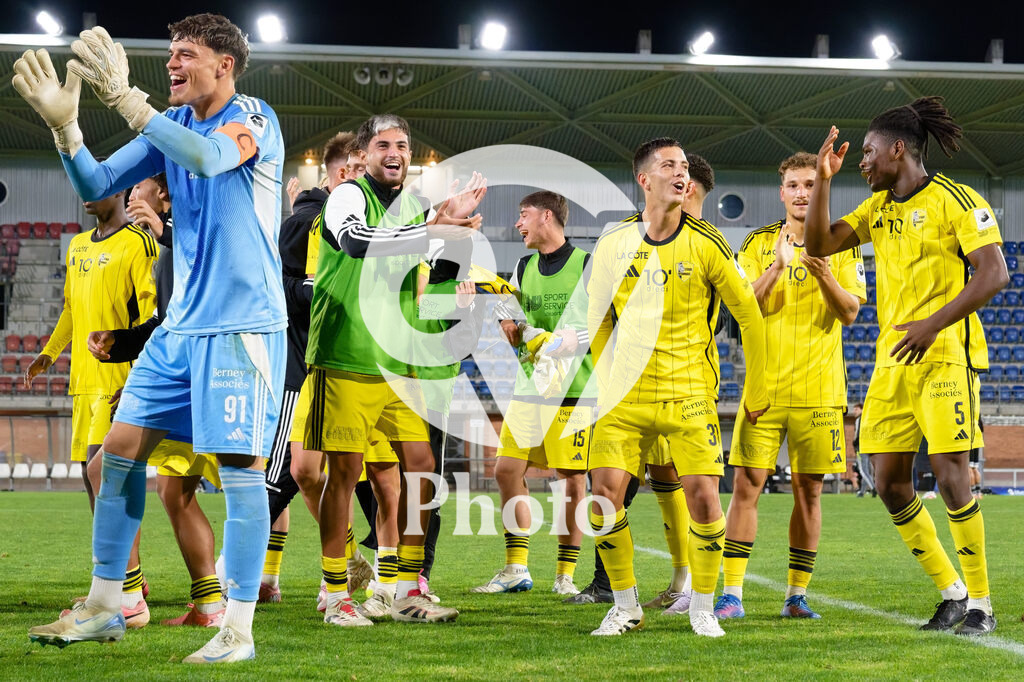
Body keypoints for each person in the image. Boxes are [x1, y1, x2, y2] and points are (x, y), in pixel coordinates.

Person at [17, 14, 288, 662]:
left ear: (224, 65)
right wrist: (66, 128)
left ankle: (237, 631)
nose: (171, 65)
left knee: (242, 473)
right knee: (117, 452)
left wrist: (128, 101)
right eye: (169, 54)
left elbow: (210, 157)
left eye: (185, 55)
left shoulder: (252, 117)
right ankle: (108, 605)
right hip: (180, 329)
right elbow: (94, 183)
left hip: (241, 328)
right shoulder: (174, 130)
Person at [804, 96, 1008, 635]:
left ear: (899, 150)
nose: (862, 162)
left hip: (944, 356)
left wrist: (932, 324)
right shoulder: (875, 210)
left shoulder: (957, 200)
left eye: (868, 153)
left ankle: (983, 605)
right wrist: (822, 179)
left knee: (950, 477)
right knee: (889, 481)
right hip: (893, 364)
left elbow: (994, 275)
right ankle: (952, 593)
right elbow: (819, 243)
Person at [304, 113, 485, 627]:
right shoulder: (347, 196)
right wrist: (432, 226)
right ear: (362, 154)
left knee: (421, 468)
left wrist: (450, 231)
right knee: (342, 474)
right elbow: (357, 242)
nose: (395, 153)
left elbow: (427, 278)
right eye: (383, 144)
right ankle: (338, 595)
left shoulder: (412, 210)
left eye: (402, 145)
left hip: (399, 364)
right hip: (347, 355)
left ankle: (405, 588)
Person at [585, 137, 769, 637]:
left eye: (684, 165)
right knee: (603, 498)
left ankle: (702, 608)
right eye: (669, 165)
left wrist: (757, 386)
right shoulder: (613, 242)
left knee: (705, 499)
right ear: (644, 180)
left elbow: (749, 319)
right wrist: (604, 379)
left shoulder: (709, 242)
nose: (680, 172)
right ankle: (625, 607)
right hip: (626, 397)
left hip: (689, 393)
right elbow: (598, 318)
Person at [717, 152, 865, 621]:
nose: (802, 192)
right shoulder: (758, 243)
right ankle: (732, 594)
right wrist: (777, 268)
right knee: (746, 487)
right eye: (794, 185)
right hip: (764, 391)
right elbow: (743, 310)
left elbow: (849, 312)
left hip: (820, 394)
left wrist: (823, 273)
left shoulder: (843, 243)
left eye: (809, 184)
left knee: (810, 492)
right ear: (781, 192)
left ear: (820, 189)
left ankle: (796, 596)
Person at [89, 173, 226, 628]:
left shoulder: (193, 235)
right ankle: (209, 607)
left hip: (190, 378)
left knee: (103, 468)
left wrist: (166, 233)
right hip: (192, 375)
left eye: (137, 187)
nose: (129, 195)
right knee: (176, 492)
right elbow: (166, 322)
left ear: (163, 194)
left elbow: (214, 294)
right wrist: (123, 343)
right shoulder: (171, 245)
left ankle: (127, 597)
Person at [24, 183, 157, 626]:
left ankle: (128, 590)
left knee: (110, 483)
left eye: (97, 187)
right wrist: (50, 352)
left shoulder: (138, 242)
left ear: (121, 194)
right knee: (92, 484)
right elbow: (69, 308)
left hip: (116, 379)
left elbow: (148, 316)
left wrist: (139, 376)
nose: (86, 194)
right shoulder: (78, 246)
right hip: (82, 381)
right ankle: (114, 580)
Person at [260, 131, 373, 603]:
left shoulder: (376, 221)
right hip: (304, 362)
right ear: (345, 173)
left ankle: (398, 579)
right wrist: (319, 291)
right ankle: (249, 574)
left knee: (381, 478)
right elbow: (282, 289)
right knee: (293, 473)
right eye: (362, 170)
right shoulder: (304, 221)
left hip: (359, 365)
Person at [474, 191, 591, 596]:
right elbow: (516, 333)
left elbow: (580, 338)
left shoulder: (586, 265)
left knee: (570, 480)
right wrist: (513, 332)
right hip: (531, 388)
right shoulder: (523, 266)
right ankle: (516, 568)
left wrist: (531, 336)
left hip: (573, 390)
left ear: (546, 216)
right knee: (506, 470)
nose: (518, 225)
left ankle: (565, 575)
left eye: (523, 216)